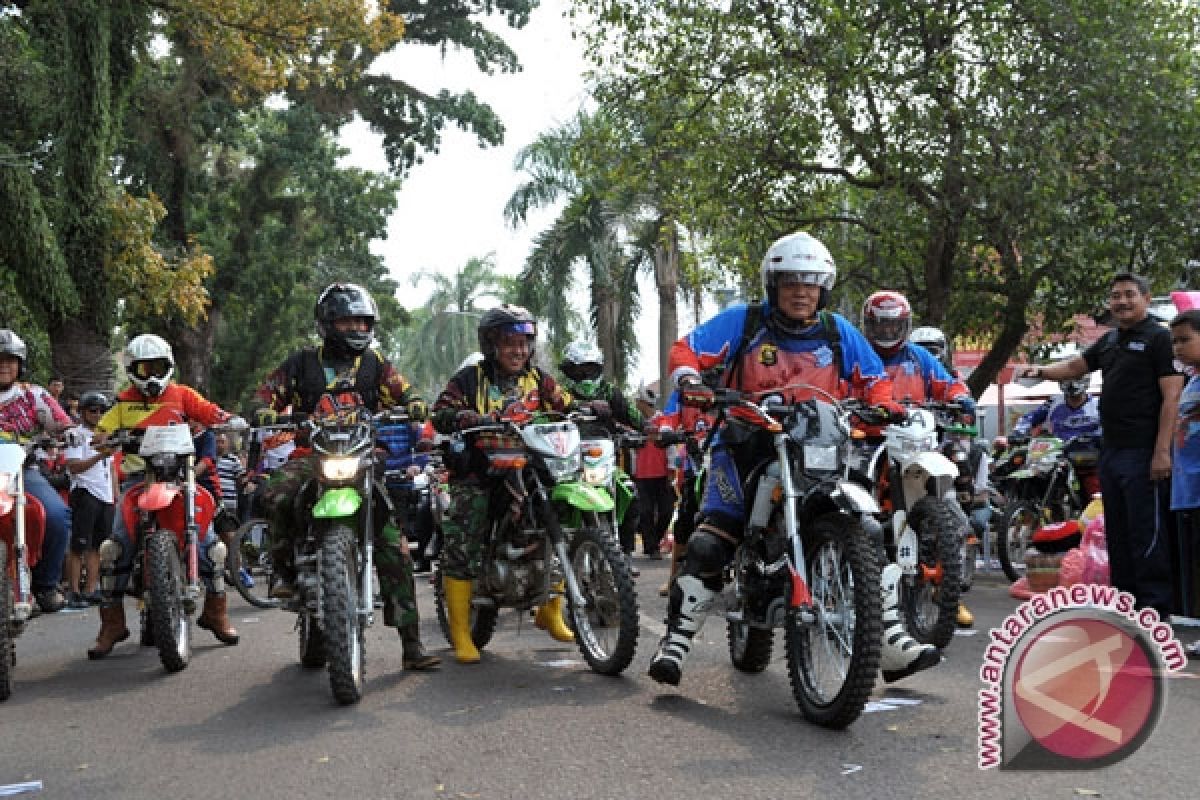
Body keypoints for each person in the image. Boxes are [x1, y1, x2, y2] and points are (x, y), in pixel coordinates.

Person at [647, 231, 940, 687]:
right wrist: (689, 377)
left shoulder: (837, 331)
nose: (801, 290)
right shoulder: (742, 322)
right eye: (790, 281)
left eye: (811, 282)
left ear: (824, 288)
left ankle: (888, 638)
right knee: (710, 541)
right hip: (746, 443)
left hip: (819, 444)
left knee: (866, 528)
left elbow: (874, 379)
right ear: (772, 284)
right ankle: (677, 642)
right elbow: (686, 350)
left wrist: (885, 403)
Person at [255, 282, 440, 671]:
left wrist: (416, 404)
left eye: (362, 321)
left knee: (393, 544)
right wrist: (267, 411)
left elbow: (404, 392)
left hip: (363, 457)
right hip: (312, 455)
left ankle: (412, 645)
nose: (356, 329)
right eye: (346, 321)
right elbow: (267, 394)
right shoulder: (302, 362)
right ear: (327, 324)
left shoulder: (375, 364)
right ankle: (284, 570)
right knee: (273, 495)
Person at [1020, 273, 1183, 619]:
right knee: (1118, 533)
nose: (1121, 302)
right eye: (1115, 296)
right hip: (1111, 453)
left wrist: (1162, 451)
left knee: (1147, 533)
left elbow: (1172, 398)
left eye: (1128, 295)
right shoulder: (1109, 341)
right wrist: (1041, 371)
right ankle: (1126, 607)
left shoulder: (1159, 339)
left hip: (1144, 453)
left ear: (1145, 297)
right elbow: (1076, 366)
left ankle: (1155, 611)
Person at [431, 304, 575, 663]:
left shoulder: (540, 380)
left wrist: (601, 406)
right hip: (481, 471)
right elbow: (441, 412)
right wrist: (466, 416)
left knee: (558, 514)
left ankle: (551, 609)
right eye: (510, 342)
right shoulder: (470, 378)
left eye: (524, 342)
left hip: (534, 470)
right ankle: (462, 633)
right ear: (492, 344)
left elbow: (567, 406)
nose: (518, 350)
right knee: (466, 529)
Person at [87, 333, 247, 658]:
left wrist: (229, 420)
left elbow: (210, 412)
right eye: (143, 369)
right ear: (132, 369)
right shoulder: (122, 401)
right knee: (114, 548)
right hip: (138, 479)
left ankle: (216, 612)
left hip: (183, 479)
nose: (151, 376)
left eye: (158, 367)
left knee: (211, 546)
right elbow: (100, 434)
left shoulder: (183, 395)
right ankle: (112, 624)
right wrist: (109, 439)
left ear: (169, 366)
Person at [861, 291, 978, 628]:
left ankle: (948, 595)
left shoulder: (919, 358)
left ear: (905, 324)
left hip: (917, 446)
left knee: (949, 511)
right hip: (868, 443)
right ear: (868, 325)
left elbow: (949, 385)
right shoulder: (858, 353)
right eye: (879, 325)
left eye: (893, 325)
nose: (886, 332)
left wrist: (961, 398)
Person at [0, 329, 73, 613]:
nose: (4, 365)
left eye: (10, 359)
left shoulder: (33, 395)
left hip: (21, 469)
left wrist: (68, 434)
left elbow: (62, 423)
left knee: (56, 515)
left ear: (20, 364)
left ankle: (45, 585)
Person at [557, 340, 644, 574]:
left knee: (631, 495)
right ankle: (554, 555)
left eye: (590, 369)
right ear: (568, 372)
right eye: (578, 371)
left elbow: (634, 417)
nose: (585, 376)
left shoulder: (610, 391)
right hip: (568, 463)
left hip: (604, 459)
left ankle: (624, 554)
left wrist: (648, 432)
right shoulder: (559, 395)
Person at [63, 391, 117, 608]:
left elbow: (111, 468)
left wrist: (115, 495)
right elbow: (74, 467)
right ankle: (74, 590)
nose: (98, 415)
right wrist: (98, 455)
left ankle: (90, 589)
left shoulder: (105, 435)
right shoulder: (76, 434)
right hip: (85, 491)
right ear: (83, 412)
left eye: (102, 411)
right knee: (79, 544)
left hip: (104, 495)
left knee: (98, 546)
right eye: (93, 410)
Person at [1168, 310, 1200, 653]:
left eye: (1185, 339)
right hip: (1188, 486)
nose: (1178, 348)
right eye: (1174, 341)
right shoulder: (1191, 382)